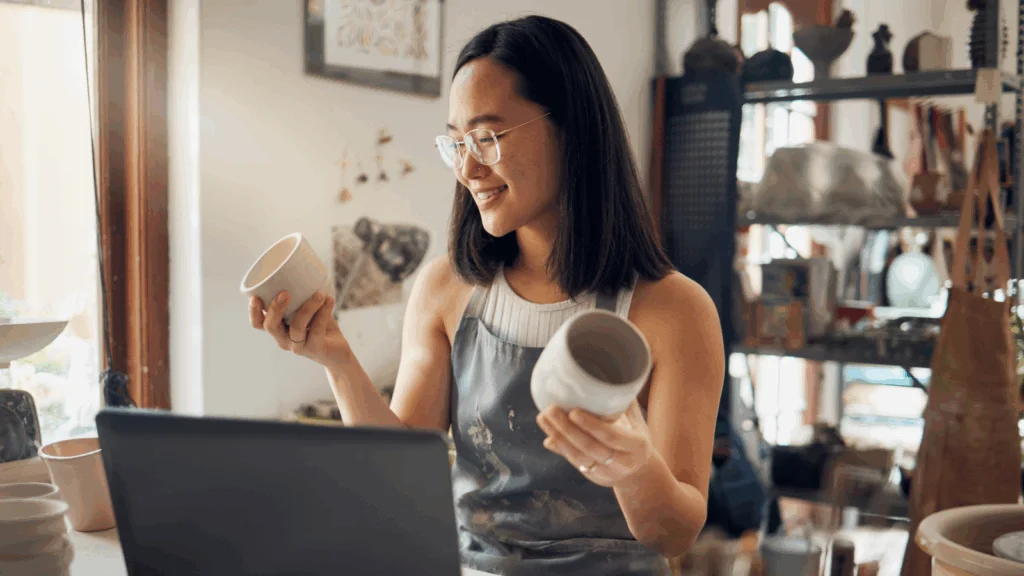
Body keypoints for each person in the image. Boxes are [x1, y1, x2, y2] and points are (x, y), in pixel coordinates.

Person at [248, 14, 725, 576]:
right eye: (456, 143)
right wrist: (334, 356)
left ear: (571, 127)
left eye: (487, 137)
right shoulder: (446, 288)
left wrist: (635, 468)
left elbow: (674, 534)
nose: (469, 168)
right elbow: (405, 476)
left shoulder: (674, 310)